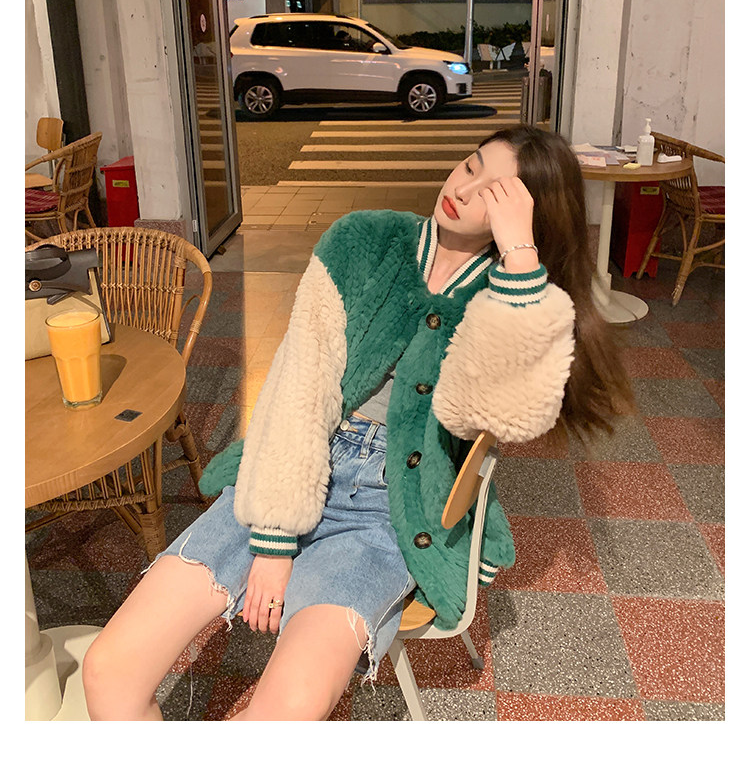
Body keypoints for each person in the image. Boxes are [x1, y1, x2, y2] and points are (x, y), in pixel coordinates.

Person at [82, 125, 633, 721]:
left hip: (389, 506)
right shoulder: (364, 240)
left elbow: (499, 416)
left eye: (494, 192)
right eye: (470, 166)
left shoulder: (509, 294)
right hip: (291, 465)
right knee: (109, 670)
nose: (463, 189)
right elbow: (299, 383)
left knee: (283, 715)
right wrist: (275, 538)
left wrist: (520, 259)